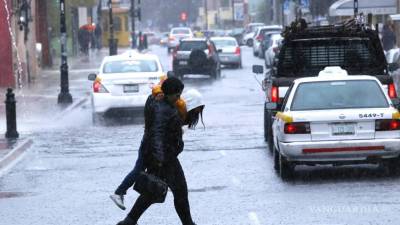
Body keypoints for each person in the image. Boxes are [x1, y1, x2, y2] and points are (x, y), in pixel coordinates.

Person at [110, 79, 204, 213]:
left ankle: (128, 218)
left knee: (154, 190)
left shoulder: (169, 107)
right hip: (159, 154)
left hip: (160, 153)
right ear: (170, 94)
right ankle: (119, 193)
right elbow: (157, 134)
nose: (179, 97)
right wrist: (159, 158)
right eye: (177, 94)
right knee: (155, 184)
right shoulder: (163, 108)